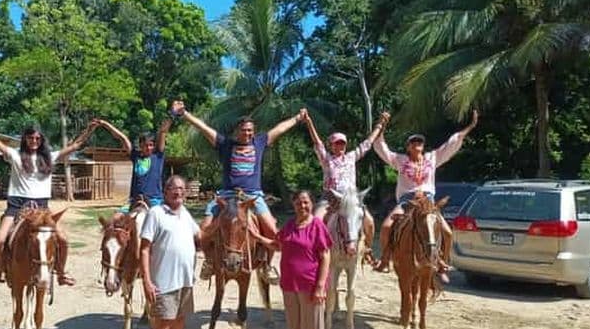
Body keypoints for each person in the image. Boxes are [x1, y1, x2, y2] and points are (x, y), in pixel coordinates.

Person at [170, 99, 305, 277]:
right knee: (203, 230)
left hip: (253, 197)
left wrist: (297, 118)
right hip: (226, 196)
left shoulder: (260, 142)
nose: (248, 133)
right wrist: (184, 114)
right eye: (244, 130)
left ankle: (267, 264)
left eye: (250, 130)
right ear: (236, 131)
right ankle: (210, 262)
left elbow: (279, 129)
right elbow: (203, 128)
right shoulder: (225, 144)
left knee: (273, 230)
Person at [0, 100, 96, 287]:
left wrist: (89, 129)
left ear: (42, 140)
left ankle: (62, 273)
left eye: (37, 139)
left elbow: (75, 146)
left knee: (63, 239)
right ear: (25, 139)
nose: (34, 141)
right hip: (17, 206)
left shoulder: (50, 157)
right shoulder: (15, 155)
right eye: (31, 138)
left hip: (42, 208)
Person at [373, 110, 479, 282]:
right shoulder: (400, 160)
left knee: (447, 232)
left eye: (419, 142)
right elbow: (382, 148)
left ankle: (441, 262)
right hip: (407, 201)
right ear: (408, 147)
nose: (417, 144)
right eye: (413, 142)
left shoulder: (432, 157)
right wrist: (382, 126)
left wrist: (469, 127)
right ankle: (385, 259)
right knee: (386, 227)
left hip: (428, 202)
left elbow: (451, 144)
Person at [250, 190, 332, 329]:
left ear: (311, 204)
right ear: (293, 204)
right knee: (294, 323)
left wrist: (320, 285)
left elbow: (325, 255)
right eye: (298, 202)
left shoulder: (317, 226)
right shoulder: (289, 226)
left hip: (310, 283)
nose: (302, 206)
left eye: (306, 202)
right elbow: (278, 245)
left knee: (312, 323)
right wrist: (258, 237)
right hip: (289, 283)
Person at [140, 175, 201, 329]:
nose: (178, 192)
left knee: (179, 323)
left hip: (185, 282)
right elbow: (144, 249)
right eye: (174, 188)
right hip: (163, 283)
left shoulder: (185, 214)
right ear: (165, 191)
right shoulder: (156, 213)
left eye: (182, 189)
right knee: (161, 328)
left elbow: (200, 235)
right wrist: (147, 280)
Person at [302, 110, 386, 250]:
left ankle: (368, 250)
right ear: (331, 145)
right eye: (337, 144)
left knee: (369, 222)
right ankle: (314, 252)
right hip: (330, 198)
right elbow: (317, 143)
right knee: (316, 220)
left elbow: (368, 143)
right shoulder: (326, 159)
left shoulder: (351, 157)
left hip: (351, 198)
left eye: (342, 144)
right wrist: (309, 122)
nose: (340, 146)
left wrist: (380, 124)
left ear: (346, 145)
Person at [91, 117, 173, 212]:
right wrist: (105, 124)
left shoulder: (158, 156)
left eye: (151, 145)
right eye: (145, 145)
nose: (148, 147)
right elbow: (122, 137)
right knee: (117, 217)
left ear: (154, 146)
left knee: (163, 220)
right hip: (135, 200)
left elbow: (163, 132)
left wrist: (172, 115)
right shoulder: (135, 156)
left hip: (154, 200)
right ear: (140, 146)